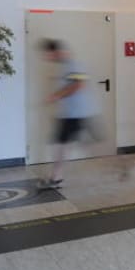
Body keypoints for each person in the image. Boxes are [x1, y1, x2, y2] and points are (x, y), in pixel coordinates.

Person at [39, 38, 100, 188]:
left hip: (77, 113)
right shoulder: (65, 66)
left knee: (61, 144)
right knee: (67, 144)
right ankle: (56, 177)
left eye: (48, 54)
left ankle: (56, 178)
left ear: (55, 52)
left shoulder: (74, 65)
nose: (47, 58)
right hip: (73, 113)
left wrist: (56, 96)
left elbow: (79, 85)